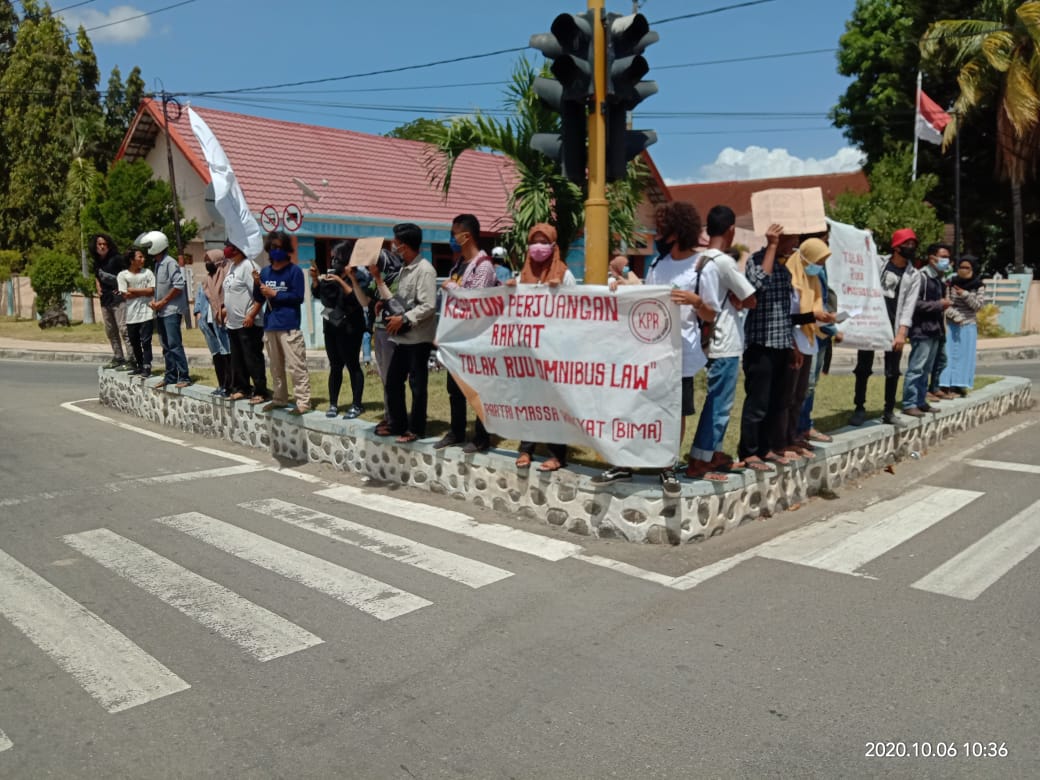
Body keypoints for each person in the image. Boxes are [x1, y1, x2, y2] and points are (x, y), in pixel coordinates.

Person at [596, 201, 720, 496]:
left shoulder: (703, 266)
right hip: (652, 352)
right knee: (639, 407)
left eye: (664, 229)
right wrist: (621, 289)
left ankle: (668, 467)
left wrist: (695, 301)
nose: (659, 235)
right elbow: (645, 301)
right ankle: (626, 462)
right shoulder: (657, 265)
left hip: (682, 354)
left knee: (675, 412)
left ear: (678, 231)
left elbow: (711, 314)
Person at [686, 205, 757, 481]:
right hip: (725, 339)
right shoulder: (724, 262)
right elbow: (750, 298)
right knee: (719, 404)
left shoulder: (699, 260)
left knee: (717, 401)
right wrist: (740, 298)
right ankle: (700, 460)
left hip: (706, 338)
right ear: (731, 230)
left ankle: (712, 453)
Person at [508, 223, 574, 472]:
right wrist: (508, 291)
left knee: (553, 402)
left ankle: (557, 454)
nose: (538, 247)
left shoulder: (564, 275)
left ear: (553, 245)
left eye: (543, 242)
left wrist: (560, 293)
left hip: (555, 349)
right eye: (534, 241)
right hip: (528, 349)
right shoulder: (522, 276)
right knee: (529, 399)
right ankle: (526, 449)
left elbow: (576, 311)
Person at [366, 223, 437, 442]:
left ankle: (416, 429)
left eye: (396, 243)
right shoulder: (404, 270)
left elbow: (428, 305)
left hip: (418, 338)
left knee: (417, 385)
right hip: (402, 338)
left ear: (405, 246)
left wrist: (404, 319)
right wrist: (385, 302)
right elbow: (401, 300)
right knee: (393, 381)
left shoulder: (425, 270)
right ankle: (397, 424)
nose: (393, 247)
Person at [434, 213, 498, 454]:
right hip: (456, 338)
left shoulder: (484, 267)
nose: (452, 239)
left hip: (476, 338)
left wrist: (451, 287)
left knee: (478, 388)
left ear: (466, 236)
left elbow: (475, 302)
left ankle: (482, 436)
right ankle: (457, 431)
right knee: (455, 388)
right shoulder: (459, 264)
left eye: (454, 234)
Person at [735, 222, 796, 472]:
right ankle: (749, 451)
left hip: (781, 343)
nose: (795, 243)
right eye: (792, 238)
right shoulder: (757, 260)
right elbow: (757, 286)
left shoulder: (784, 268)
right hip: (761, 343)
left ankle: (765, 448)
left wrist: (792, 345)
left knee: (775, 402)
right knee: (757, 402)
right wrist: (771, 246)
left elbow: (786, 310)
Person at [849, 228, 921, 426]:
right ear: (896, 247)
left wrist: (902, 333)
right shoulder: (879, 262)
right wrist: (865, 236)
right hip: (871, 323)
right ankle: (859, 408)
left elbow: (908, 306)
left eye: (913, 244)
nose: (911, 248)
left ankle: (889, 411)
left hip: (893, 327)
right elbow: (861, 256)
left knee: (893, 371)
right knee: (863, 368)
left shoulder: (914, 275)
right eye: (907, 244)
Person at [779, 237, 836, 457]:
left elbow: (812, 312)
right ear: (806, 257)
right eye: (817, 261)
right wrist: (814, 316)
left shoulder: (812, 281)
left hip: (809, 340)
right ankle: (782, 441)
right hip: (793, 343)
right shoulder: (791, 278)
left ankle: (794, 437)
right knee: (787, 396)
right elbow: (788, 316)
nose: (819, 266)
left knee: (800, 395)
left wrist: (824, 318)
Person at [258, 231, 311, 415]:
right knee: (275, 367)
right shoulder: (265, 272)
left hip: (289, 326)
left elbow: (298, 297)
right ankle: (279, 398)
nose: (276, 250)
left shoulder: (294, 271)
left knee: (296, 366)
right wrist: (257, 286)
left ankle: (303, 402)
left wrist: (275, 294)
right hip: (270, 325)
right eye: (273, 247)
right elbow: (259, 297)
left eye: (280, 247)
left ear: (287, 249)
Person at [313, 241, 367, 419]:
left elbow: (356, 299)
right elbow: (320, 296)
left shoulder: (358, 276)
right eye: (332, 258)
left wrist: (341, 280)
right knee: (335, 366)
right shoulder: (331, 275)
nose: (334, 261)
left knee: (352, 365)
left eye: (337, 257)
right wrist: (316, 280)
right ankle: (333, 404)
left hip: (351, 328)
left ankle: (357, 405)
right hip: (331, 326)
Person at [141, 230, 191, 389]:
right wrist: (156, 301)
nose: (148, 249)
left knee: (174, 344)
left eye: (149, 245)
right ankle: (170, 376)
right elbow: (161, 287)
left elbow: (178, 285)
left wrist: (163, 302)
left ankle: (184, 376)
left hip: (171, 310)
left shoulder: (170, 263)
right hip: (161, 311)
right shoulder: (158, 264)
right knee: (166, 346)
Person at [221, 241, 268, 404]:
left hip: (248, 323)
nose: (227, 250)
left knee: (252, 358)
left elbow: (259, 295)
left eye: (231, 247)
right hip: (233, 323)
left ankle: (261, 391)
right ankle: (242, 388)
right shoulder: (232, 267)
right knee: (237, 359)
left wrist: (251, 315)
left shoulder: (248, 266)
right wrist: (226, 311)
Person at [938, 255, 985, 396]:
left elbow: (978, 306)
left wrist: (965, 294)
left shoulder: (978, 286)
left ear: (973, 269)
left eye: (967, 268)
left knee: (965, 356)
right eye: (961, 267)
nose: (963, 270)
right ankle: (944, 385)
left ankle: (959, 385)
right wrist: (954, 315)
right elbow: (946, 304)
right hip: (951, 324)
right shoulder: (951, 283)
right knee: (947, 355)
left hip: (968, 325)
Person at [90, 233, 133, 370]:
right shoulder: (96, 262)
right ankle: (118, 357)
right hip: (105, 300)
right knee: (110, 330)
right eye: (99, 244)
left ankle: (132, 358)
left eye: (105, 244)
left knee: (124, 328)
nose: (102, 247)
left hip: (118, 299)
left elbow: (128, 273)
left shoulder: (116, 259)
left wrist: (123, 289)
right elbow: (97, 276)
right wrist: (98, 287)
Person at [195, 249, 233, 396]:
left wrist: (225, 310)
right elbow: (199, 298)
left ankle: (230, 386)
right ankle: (221, 384)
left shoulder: (227, 276)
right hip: (208, 322)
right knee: (217, 355)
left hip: (223, 322)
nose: (207, 264)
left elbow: (231, 297)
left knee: (227, 354)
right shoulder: (206, 280)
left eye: (209, 260)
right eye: (205, 261)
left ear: (218, 261)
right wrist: (198, 314)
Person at [116, 248, 155, 379]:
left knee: (146, 341)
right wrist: (143, 291)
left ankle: (147, 365)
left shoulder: (147, 273)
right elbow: (125, 294)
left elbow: (151, 291)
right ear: (132, 260)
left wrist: (133, 289)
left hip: (146, 312)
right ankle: (139, 365)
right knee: (135, 341)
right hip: (131, 314)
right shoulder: (123, 275)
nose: (143, 259)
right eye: (140, 257)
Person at [923, 243, 955, 402]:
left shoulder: (941, 278)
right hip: (925, 326)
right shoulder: (923, 277)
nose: (946, 261)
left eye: (948, 257)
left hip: (939, 325)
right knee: (924, 364)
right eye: (943, 257)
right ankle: (922, 392)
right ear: (932, 258)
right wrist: (939, 304)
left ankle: (934, 387)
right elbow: (916, 303)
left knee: (941, 359)